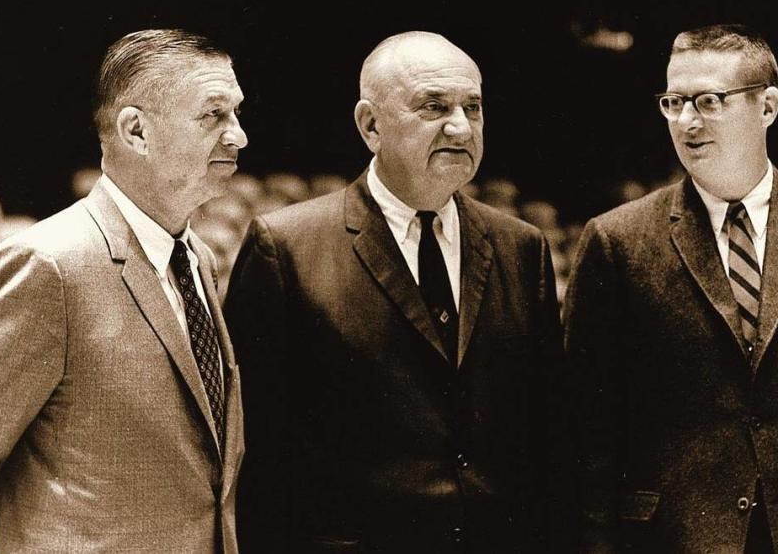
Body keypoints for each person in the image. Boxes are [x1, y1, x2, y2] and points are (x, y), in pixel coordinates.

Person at [563, 24, 778, 552]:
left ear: (767, 106)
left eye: (708, 101)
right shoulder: (616, 240)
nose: (686, 121)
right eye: (673, 102)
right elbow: (587, 438)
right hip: (671, 540)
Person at [224, 31, 565, 553]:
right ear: (370, 125)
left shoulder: (521, 247)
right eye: (433, 106)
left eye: (472, 108)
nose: (460, 126)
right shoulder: (286, 246)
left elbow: (544, 435)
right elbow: (257, 452)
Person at [0, 29, 248, 552]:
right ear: (136, 131)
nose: (240, 136)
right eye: (214, 115)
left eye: (236, 113)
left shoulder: (196, 258)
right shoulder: (47, 264)